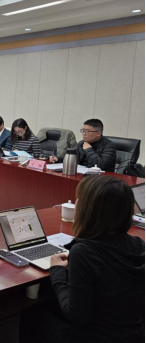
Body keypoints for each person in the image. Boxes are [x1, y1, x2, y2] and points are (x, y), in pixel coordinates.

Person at [20, 175, 145, 343]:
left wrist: (56, 271)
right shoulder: (139, 245)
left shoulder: (83, 252)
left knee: (31, 314)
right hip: (134, 334)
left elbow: (76, 316)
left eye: (79, 199)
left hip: (96, 337)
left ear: (89, 210)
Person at [52, 119, 116, 172]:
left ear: (98, 133)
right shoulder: (82, 143)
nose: (83, 134)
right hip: (81, 174)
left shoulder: (109, 146)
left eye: (87, 131)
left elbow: (101, 165)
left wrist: (89, 149)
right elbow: (74, 158)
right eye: (83, 131)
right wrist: (58, 159)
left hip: (99, 179)